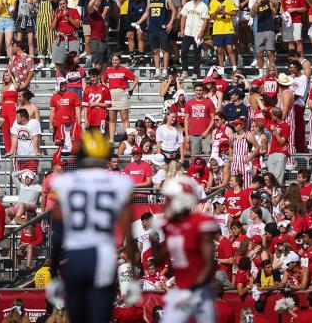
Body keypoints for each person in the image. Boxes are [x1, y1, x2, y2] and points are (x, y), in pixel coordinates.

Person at [47, 131, 137, 323]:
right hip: (103, 256)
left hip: (76, 256)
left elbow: (58, 233)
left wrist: (53, 269)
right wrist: (134, 271)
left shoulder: (64, 182)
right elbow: (129, 233)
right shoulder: (120, 182)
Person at [150, 176, 219, 322]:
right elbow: (158, 260)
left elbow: (209, 263)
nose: (167, 202)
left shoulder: (200, 223)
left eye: (170, 198)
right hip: (180, 289)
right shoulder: (170, 225)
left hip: (200, 291)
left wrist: (192, 290)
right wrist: (153, 239)